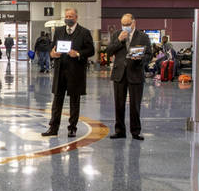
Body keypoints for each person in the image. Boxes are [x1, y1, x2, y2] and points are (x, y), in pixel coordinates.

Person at [42, 8, 94, 138]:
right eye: (66, 16)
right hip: (60, 71)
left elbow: (91, 50)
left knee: (74, 102)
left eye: (71, 16)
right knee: (57, 101)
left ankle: (72, 128)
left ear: (76, 17)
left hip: (75, 72)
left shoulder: (84, 32)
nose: (68, 18)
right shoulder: (59, 31)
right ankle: (53, 127)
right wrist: (52, 53)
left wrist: (77, 53)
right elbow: (52, 47)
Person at [105, 13, 151, 140]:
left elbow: (149, 55)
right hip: (119, 74)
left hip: (135, 73)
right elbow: (108, 51)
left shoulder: (143, 36)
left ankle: (135, 131)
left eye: (127, 24)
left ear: (134, 23)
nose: (125, 27)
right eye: (123, 25)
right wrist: (119, 40)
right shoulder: (116, 35)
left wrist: (140, 59)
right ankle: (119, 130)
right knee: (119, 104)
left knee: (135, 104)